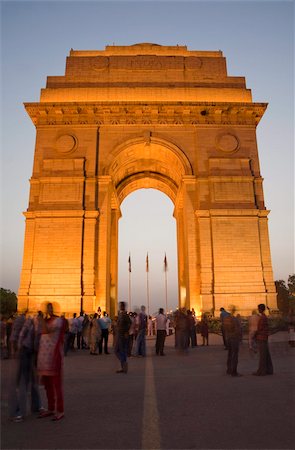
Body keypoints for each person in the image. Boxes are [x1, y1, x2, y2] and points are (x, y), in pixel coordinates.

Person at [9, 313, 43, 422]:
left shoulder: (36, 323)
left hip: (31, 352)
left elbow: (37, 340)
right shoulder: (26, 321)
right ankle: (18, 412)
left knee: (33, 380)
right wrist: (15, 351)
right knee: (24, 381)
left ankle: (36, 406)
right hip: (25, 351)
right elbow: (17, 336)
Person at [37, 302, 67, 421]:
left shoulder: (58, 322)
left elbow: (45, 331)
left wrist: (41, 319)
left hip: (54, 357)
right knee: (48, 385)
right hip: (44, 358)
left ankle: (60, 410)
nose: (48, 309)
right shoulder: (48, 320)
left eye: (50, 307)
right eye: (47, 307)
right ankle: (50, 408)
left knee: (56, 385)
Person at [252, 304, 274, 376]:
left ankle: (261, 371)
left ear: (260, 309)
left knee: (262, 355)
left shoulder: (262, 318)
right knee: (266, 354)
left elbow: (260, 328)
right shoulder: (264, 317)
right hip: (264, 337)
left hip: (261, 337)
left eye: (258, 308)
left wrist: (255, 335)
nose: (258, 310)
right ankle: (269, 369)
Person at [223, 312, 242, 377]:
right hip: (234, 339)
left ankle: (229, 369)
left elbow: (224, 329)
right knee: (234, 355)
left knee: (230, 354)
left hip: (228, 338)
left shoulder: (226, 320)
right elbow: (237, 330)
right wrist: (239, 338)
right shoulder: (235, 320)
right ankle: (234, 371)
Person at [115, 302, 131, 373]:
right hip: (119, 334)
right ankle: (123, 364)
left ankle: (124, 366)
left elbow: (129, 323)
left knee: (120, 350)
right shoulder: (121, 314)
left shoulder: (124, 315)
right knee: (117, 350)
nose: (120, 306)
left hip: (122, 335)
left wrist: (126, 331)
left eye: (121, 305)